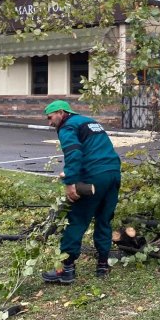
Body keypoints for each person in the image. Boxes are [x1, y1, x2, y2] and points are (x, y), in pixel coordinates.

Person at [41, 100, 122, 284]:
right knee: (104, 218)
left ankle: (66, 269)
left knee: (77, 219)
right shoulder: (89, 121)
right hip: (113, 173)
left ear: (61, 112)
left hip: (95, 176)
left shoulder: (67, 127)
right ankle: (103, 264)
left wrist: (70, 181)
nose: (50, 123)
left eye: (50, 118)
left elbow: (74, 154)